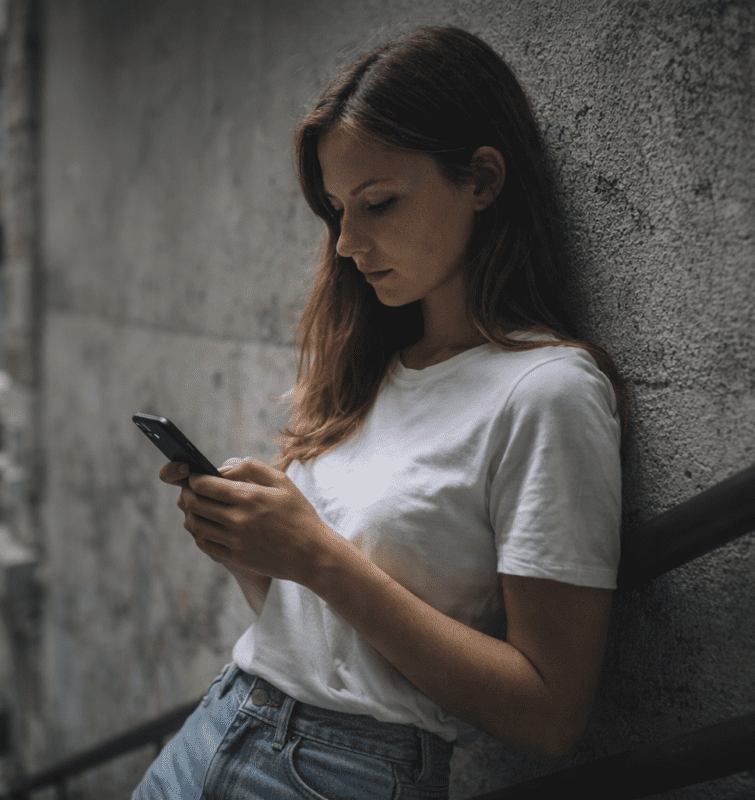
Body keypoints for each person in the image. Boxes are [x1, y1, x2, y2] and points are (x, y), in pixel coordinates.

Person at [133, 25, 627, 800]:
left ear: (484, 179)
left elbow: (549, 715)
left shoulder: (546, 392)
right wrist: (251, 553)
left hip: (341, 775)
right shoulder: (374, 368)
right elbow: (324, 638)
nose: (347, 244)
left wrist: (318, 558)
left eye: (379, 203)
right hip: (220, 724)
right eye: (336, 210)